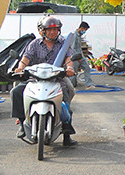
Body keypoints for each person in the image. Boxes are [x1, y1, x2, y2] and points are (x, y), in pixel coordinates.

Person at [12, 16, 78, 146]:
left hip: (56, 79)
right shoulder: (35, 44)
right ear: (43, 31)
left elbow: (68, 57)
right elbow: (26, 58)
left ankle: (66, 133)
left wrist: (69, 67)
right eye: (49, 30)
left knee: (66, 97)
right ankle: (22, 121)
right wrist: (20, 67)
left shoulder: (63, 44)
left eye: (55, 29)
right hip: (35, 79)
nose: (52, 32)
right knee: (16, 92)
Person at [68, 22, 94, 88]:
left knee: (87, 68)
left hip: (80, 56)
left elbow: (79, 48)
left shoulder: (79, 36)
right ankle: (71, 85)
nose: (85, 31)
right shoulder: (74, 36)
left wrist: (81, 56)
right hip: (75, 57)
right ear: (81, 28)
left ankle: (88, 84)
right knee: (74, 71)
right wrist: (77, 58)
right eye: (85, 30)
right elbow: (72, 48)